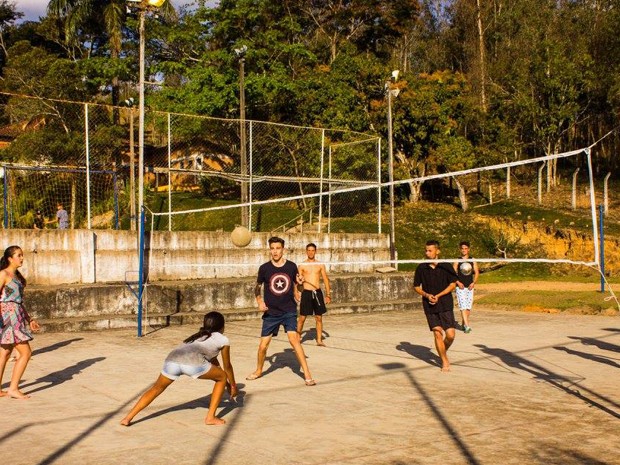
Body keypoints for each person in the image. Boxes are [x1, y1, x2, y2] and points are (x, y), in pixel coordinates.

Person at [120, 311, 237, 426]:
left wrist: (227, 383)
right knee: (222, 377)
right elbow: (227, 366)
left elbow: (213, 362)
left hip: (172, 360)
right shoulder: (223, 339)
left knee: (156, 388)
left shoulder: (197, 336)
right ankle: (210, 418)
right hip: (192, 363)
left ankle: (127, 418)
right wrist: (232, 385)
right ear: (222, 327)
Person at [246, 236, 316, 386]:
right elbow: (257, 287)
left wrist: (301, 286)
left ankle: (307, 374)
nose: (275, 251)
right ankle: (259, 370)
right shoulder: (264, 268)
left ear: (283, 249)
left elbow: (299, 287)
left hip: (288, 310)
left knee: (294, 340)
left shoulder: (291, 266)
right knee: (263, 346)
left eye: (278, 248)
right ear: (270, 249)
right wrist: (259, 302)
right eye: (272, 248)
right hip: (271, 313)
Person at [0, 245, 41, 399]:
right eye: (18, 255)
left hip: (16, 315)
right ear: (10, 258)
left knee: (5, 353)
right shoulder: (3, 274)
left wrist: (29, 318)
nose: (22, 258)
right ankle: (13, 388)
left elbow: (19, 302)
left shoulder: (17, 277)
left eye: (22, 255)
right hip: (7, 318)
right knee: (26, 353)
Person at [413, 240, 458, 372]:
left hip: (445, 304)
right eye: (426, 250)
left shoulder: (446, 266)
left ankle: (441, 351)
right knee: (438, 334)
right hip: (429, 305)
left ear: (437, 251)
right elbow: (416, 286)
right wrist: (427, 295)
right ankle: (444, 361)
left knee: (450, 335)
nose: (427, 253)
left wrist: (439, 295)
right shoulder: (421, 268)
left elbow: (453, 284)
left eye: (430, 250)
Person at [297, 243, 331, 346]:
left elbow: (325, 279)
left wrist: (328, 294)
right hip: (306, 293)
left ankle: (319, 340)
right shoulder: (302, 265)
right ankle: (297, 338)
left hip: (317, 292)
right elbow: (298, 282)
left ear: (315, 251)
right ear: (306, 251)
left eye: (312, 250)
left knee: (319, 317)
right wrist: (298, 292)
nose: (311, 252)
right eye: (309, 250)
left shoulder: (320, 264)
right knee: (302, 317)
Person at [453, 241, 479, 333]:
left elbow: (476, 272)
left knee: (468, 307)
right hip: (460, 287)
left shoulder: (472, 260)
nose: (464, 250)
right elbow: (452, 273)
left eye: (465, 248)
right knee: (462, 305)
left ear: (468, 249)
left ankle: (464, 324)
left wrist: (473, 283)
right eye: (462, 248)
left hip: (470, 286)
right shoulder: (457, 260)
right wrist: (458, 282)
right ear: (460, 249)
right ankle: (467, 326)